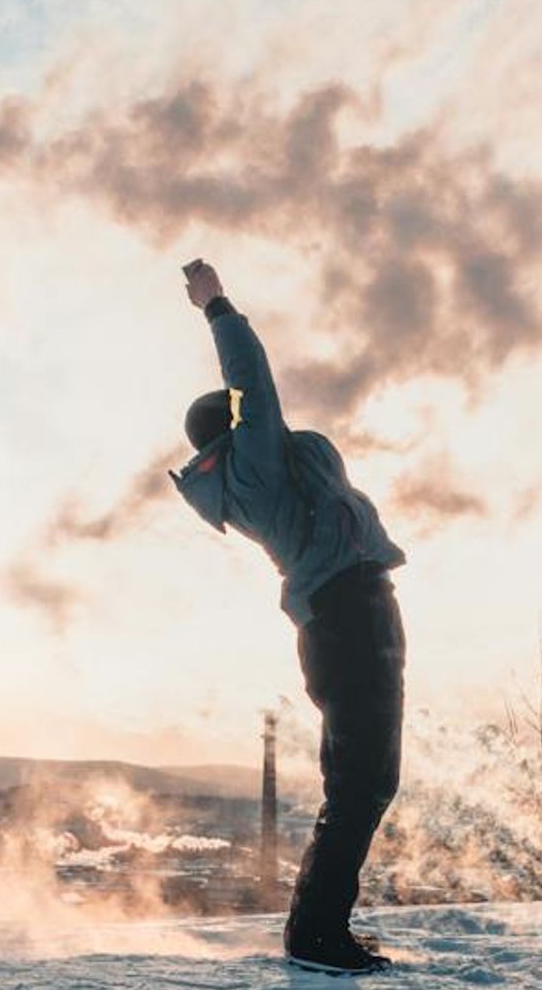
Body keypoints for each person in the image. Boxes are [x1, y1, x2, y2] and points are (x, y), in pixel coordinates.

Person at [171, 258, 408, 975]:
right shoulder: (256, 465)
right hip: (345, 618)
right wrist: (217, 308)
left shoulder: (264, 474)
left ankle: (319, 928)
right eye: (242, 415)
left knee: (364, 782)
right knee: (362, 783)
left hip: (353, 614)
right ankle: (314, 936)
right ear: (231, 431)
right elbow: (253, 382)